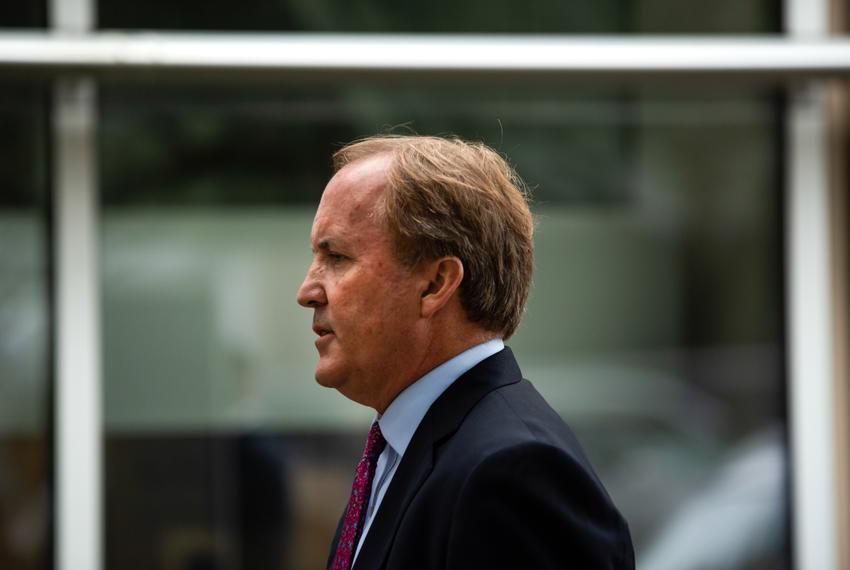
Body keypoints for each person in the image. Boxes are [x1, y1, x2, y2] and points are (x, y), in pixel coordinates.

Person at [296, 135, 634, 570]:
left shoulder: (513, 472)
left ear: (436, 285)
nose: (307, 291)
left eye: (337, 256)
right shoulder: (403, 448)